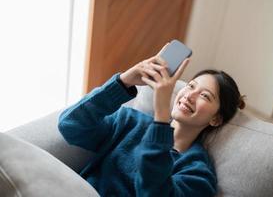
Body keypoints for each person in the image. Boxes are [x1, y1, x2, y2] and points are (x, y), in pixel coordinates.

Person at [58, 43, 245, 196]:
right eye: (190, 86)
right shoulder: (130, 122)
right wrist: (124, 81)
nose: (189, 96)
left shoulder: (198, 174)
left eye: (204, 96)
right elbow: (70, 126)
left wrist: (161, 114)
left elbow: (151, 192)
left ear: (216, 119)